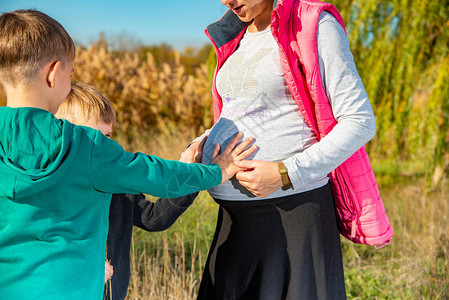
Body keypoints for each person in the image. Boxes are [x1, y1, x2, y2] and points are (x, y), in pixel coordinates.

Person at [0, 9, 257, 299]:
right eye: (70, 75)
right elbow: (156, 174)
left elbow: (152, 216)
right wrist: (217, 171)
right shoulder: (85, 145)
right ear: (53, 73)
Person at [180, 0, 382, 298]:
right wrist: (201, 141)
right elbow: (242, 109)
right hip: (236, 221)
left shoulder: (313, 24)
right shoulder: (236, 35)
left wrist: (286, 172)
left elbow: (360, 121)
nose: (227, 1)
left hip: (294, 217)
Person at [55, 82, 205, 300]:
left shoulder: (120, 186)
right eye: (93, 137)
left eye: (107, 137)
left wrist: (189, 177)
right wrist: (85, 260)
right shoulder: (52, 188)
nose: (104, 147)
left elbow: (153, 218)